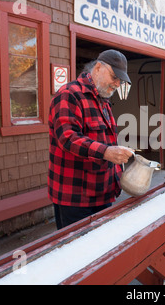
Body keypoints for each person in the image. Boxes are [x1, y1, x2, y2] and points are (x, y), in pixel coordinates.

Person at [48, 49, 134, 230]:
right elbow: (68, 138)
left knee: (100, 250)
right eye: (114, 77)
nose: (117, 84)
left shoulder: (103, 100)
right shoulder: (69, 94)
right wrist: (107, 152)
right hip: (75, 198)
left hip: (102, 193)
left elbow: (105, 141)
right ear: (98, 68)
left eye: (120, 80)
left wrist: (119, 170)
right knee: (78, 252)